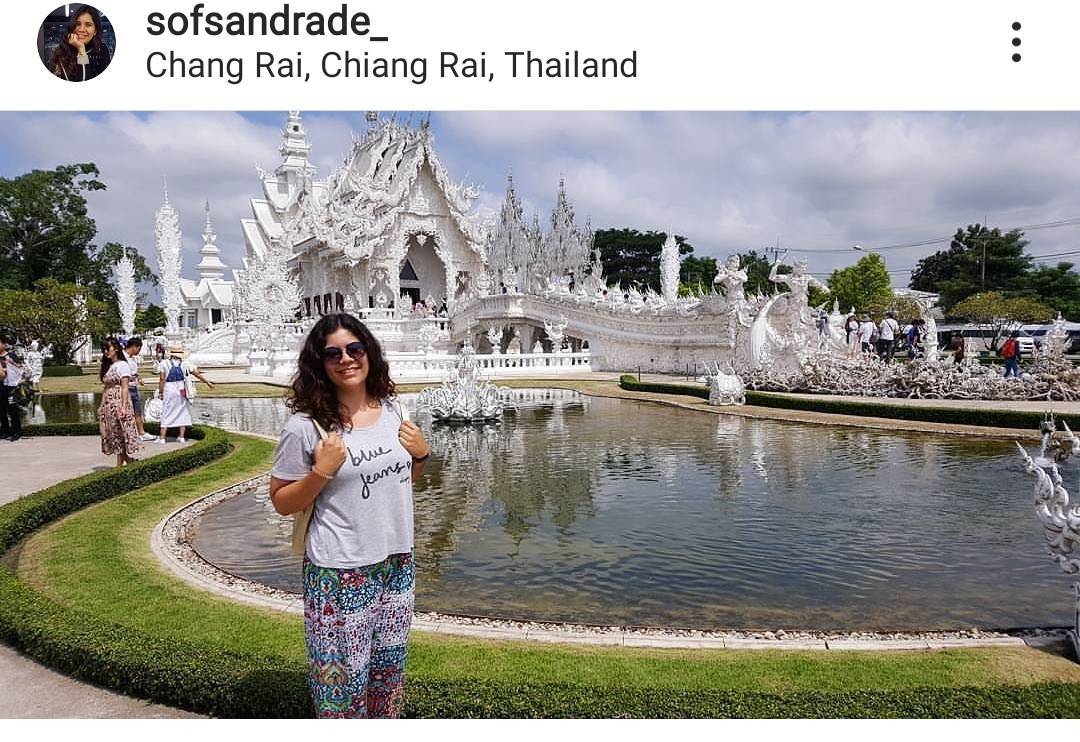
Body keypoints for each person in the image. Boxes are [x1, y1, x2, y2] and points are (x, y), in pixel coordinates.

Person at [269, 313, 431, 718]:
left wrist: (423, 455)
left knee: (387, 677)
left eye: (354, 349)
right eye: (333, 353)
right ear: (319, 364)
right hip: (341, 571)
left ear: (369, 353)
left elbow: (400, 477)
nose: (346, 359)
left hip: (396, 562)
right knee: (342, 684)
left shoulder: (394, 410)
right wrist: (321, 471)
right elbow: (282, 501)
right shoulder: (305, 427)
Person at [156, 345, 215, 443]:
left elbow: (162, 379)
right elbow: (197, 374)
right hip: (181, 389)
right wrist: (207, 382)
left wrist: (161, 391)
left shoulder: (164, 363)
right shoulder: (186, 364)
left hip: (169, 389)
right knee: (183, 411)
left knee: (166, 411)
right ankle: (182, 437)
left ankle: (162, 438)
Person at [98, 338, 140, 467]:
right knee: (113, 433)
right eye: (104, 349)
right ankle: (127, 460)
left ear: (116, 349)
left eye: (108, 349)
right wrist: (101, 406)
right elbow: (106, 388)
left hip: (118, 401)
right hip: (108, 402)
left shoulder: (122, 365)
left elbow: (125, 387)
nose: (106, 352)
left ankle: (120, 466)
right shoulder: (109, 365)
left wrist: (123, 407)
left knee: (120, 433)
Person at [48, 6, 113, 82]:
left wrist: (81, 50)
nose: (81, 29)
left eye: (88, 25)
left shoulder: (102, 49)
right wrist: (81, 50)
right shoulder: (62, 51)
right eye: (78, 24)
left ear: (95, 31)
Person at [123, 337, 156, 442]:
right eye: (139, 349)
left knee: (137, 411)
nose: (139, 352)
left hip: (133, 387)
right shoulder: (121, 357)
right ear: (134, 347)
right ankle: (127, 434)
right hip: (126, 388)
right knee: (126, 412)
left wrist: (138, 377)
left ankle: (141, 433)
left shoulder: (132, 358)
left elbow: (133, 372)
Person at [0, 342, 25, 441]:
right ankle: (5, 432)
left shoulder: (10, 356)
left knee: (12, 410)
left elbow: (20, 368)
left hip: (11, 387)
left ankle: (16, 432)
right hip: (1, 387)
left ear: (3, 345)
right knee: (2, 411)